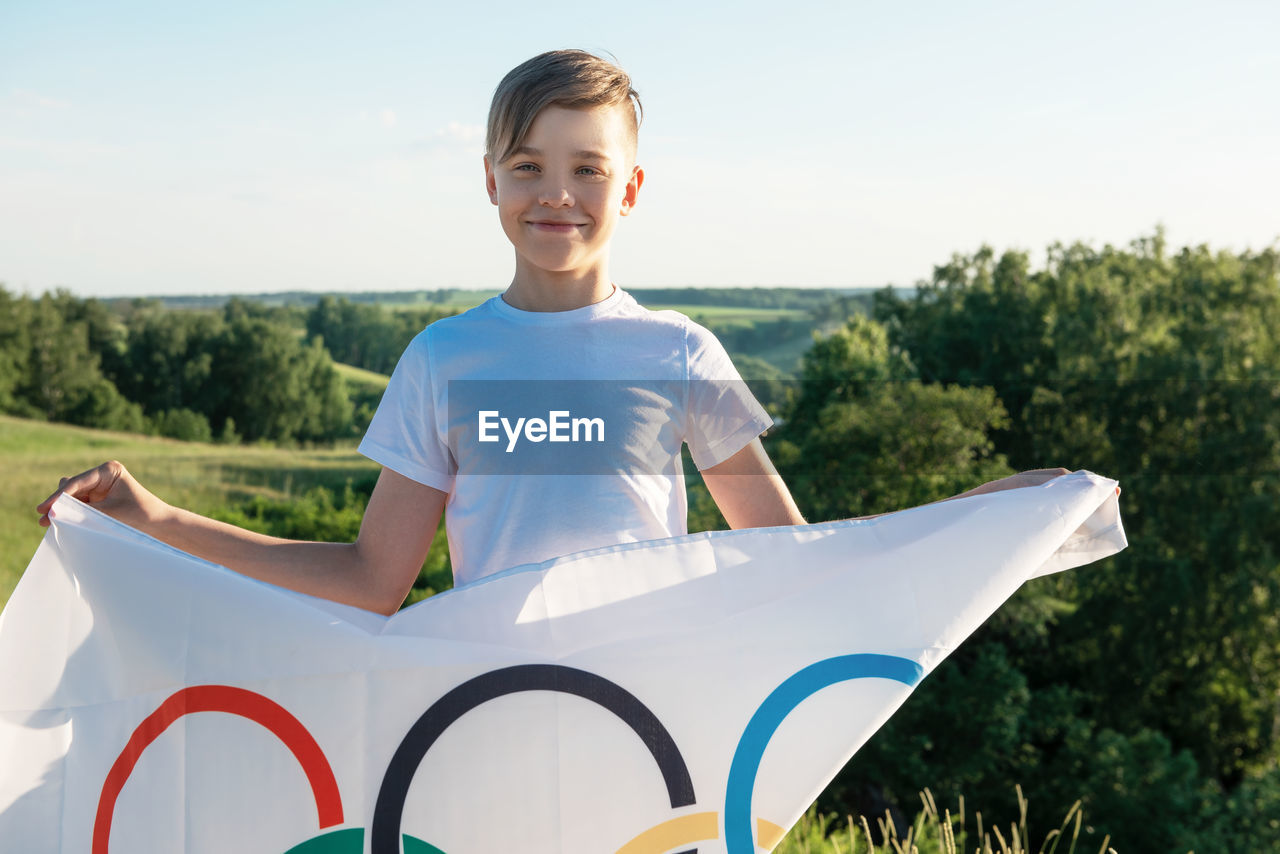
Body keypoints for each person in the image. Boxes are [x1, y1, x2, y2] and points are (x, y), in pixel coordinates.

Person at [35, 50, 1062, 615]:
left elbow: (787, 562)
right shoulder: (442, 359)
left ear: (632, 187)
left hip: (659, 710)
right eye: (526, 165)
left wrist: (966, 523)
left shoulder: (682, 357)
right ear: (488, 181)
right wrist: (160, 519)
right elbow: (368, 581)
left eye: (586, 168)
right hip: (494, 708)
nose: (556, 193)